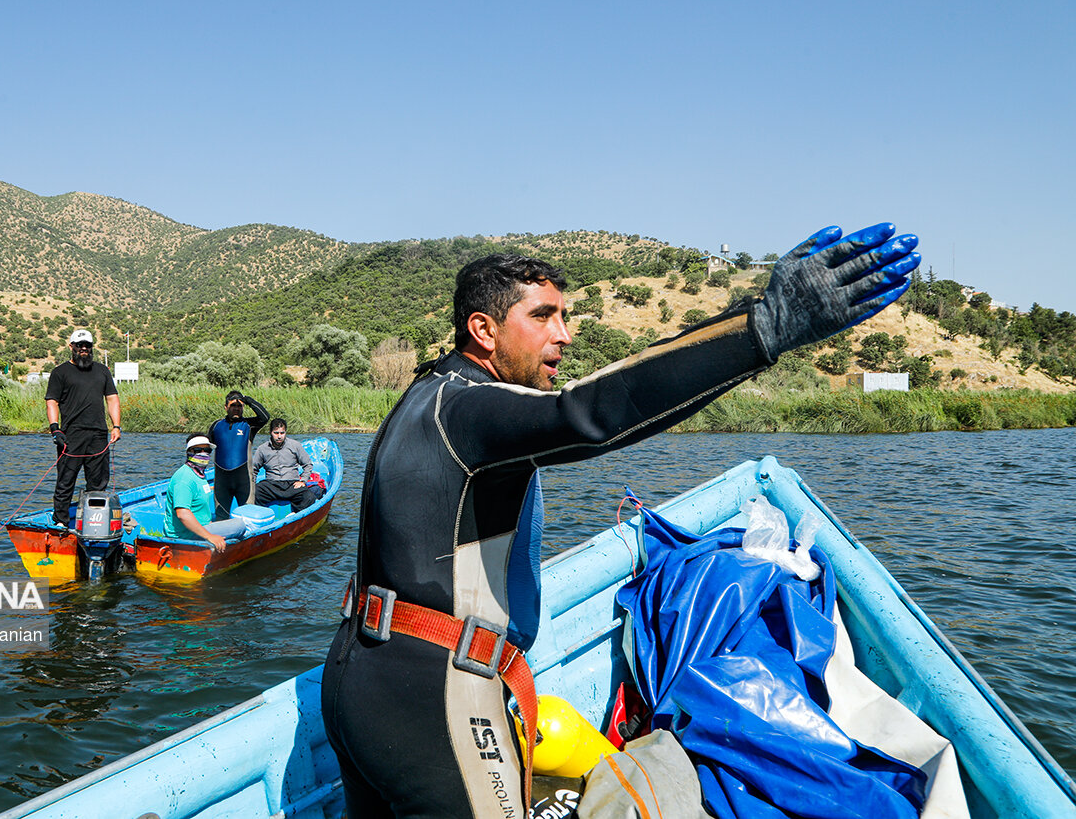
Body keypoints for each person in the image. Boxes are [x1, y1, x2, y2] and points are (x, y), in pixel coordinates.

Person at [321, 223, 920, 818]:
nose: (565, 335)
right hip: (435, 694)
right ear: (484, 331)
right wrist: (762, 328)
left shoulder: (427, 396)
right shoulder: (470, 409)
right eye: (543, 317)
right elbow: (589, 413)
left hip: (357, 675)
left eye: (565, 316)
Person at [45, 329, 122, 527]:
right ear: (71, 347)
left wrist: (116, 426)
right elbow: (51, 402)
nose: (84, 349)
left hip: (98, 435)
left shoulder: (102, 371)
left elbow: (112, 398)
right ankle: (61, 522)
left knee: (97, 483)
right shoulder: (60, 372)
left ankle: (93, 522)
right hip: (70, 436)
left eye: (87, 345)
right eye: (80, 346)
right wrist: (55, 429)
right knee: (65, 481)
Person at [163, 434, 246, 551]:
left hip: (201, 527)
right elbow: (182, 513)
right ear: (189, 452)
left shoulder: (199, 473)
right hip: (185, 535)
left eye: (207, 450)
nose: (203, 453)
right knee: (240, 525)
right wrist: (209, 536)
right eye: (198, 450)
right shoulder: (184, 478)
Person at [206, 390, 270, 517]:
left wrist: (248, 400)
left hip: (244, 480)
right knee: (221, 517)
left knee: (248, 517)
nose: (236, 409)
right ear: (226, 407)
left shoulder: (249, 425)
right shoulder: (216, 425)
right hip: (222, 482)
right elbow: (206, 448)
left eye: (239, 406)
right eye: (232, 406)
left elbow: (265, 417)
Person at [251, 419, 316, 512]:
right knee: (254, 493)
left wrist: (303, 481)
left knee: (309, 497)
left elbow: (307, 464)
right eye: (276, 433)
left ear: (286, 432)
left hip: (292, 484)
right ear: (270, 432)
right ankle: (261, 518)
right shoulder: (262, 449)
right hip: (271, 484)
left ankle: (295, 516)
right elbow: (253, 470)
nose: (279, 436)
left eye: (282, 433)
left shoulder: (295, 445)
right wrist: (251, 485)